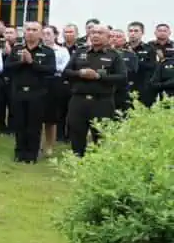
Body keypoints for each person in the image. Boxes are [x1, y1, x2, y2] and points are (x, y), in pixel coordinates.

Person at [63, 24, 128, 157]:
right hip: (79, 100)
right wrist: (80, 73)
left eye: (100, 33)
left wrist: (99, 76)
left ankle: (98, 166)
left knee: (101, 136)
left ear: (108, 37)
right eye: (92, 33)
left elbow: (122, 77)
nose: (95, 35)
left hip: (102, 101)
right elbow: (66, 72)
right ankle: (77, 162)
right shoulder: (80, 52)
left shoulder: (114, 55)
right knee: (76, 133)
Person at [4, 21, 55, 163]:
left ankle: (32, 154)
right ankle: (19, 152)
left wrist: (32, 63)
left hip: (37, 93)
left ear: (40, 33)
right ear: (24, 32)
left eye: (34, 29)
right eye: (28, 29)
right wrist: (22, 62)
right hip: (19, 92)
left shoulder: (47, 51)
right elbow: (7, 67)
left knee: (34, 125)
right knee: (19, 123)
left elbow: (51, 70)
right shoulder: (17, 49)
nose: (31, 32)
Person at [41, 25, 70, 157]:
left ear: (55, 35)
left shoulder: (62, 51)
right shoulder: (38, 50)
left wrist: (48, 67)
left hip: (54, 83)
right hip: (39, 82)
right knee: (36, 116)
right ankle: (38, 144)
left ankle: (49, 145)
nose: (46, 36)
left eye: (49, 33)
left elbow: (64, 67)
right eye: (44, 33)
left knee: (50, 117)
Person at [108, 29, 139, 114]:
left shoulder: (130, 55)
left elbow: (132, 71)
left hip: (123, 91)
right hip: (106, 91)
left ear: (124, 40)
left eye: (118, 37)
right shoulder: (102, 54)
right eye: (112, 36)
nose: (114, 39)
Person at [127, 21, 156, 107]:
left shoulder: (149, 49)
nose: (133, 33)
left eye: (136, 31)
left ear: (142, 33)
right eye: (130, 31)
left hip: (142, 87)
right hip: (125, 87)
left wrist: (133, 57)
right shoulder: (122, 48)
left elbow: (152, 67)